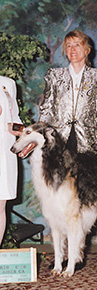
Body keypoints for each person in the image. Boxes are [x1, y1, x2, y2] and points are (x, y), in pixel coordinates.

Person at [39, 30, 97, 153]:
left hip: (87, 141)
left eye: (77, 44)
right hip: (58, 140)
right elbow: (47, 108)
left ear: (87, 50)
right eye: (69, 45)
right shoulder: (54, 75)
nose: (72, 49)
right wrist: (40, 135)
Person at [0, 76, 23, 246]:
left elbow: (14, 116)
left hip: (4, 151)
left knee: (0, 207)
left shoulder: (7, 83)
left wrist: (21, 131)